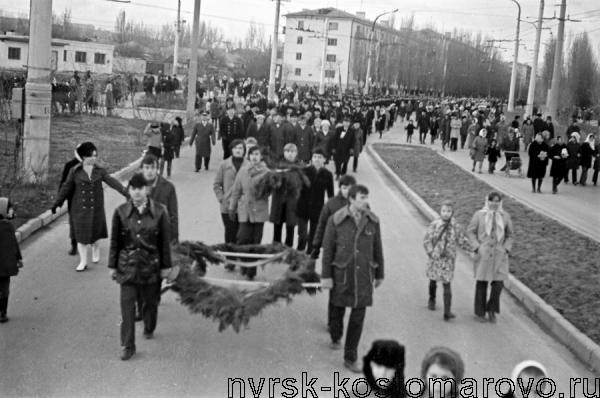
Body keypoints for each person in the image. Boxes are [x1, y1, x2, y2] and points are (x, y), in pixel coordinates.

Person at [108, 173, 173, 361]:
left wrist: (165, 267)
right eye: (133, 189)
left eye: (140, 188)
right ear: (129, 190)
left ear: (147, 190)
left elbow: (164, 243)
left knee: (150, 303)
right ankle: (127, 345)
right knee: (127, 307)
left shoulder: (160, 212)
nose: (137, 192)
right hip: (127, 267)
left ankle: (149, 326)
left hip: (150, 267)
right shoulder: (120, 212)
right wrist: (112, 266)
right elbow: (115, 242)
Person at [322, 184, 384, 373]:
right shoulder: (336, 220)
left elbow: (377, 248)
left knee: (358, 317)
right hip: (341, 273)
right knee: (337, 308)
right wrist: (326, 276)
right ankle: (335, 335)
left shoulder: (372, 221)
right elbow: (328, 251)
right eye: (362, 197)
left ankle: (350, 357)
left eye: (367, 197)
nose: (366, 201)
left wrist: (380, 273)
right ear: (351, 199)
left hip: (364, 275)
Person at [52, 142, 129, 272]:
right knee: (81, 236)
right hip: (80, 209)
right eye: (90, 156)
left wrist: (127, 193)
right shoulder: (75, 171)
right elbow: (66, 187)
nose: (94, 158)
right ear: (83, 157)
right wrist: (57, 203)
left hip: (95, 208)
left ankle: (95, 247)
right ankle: (83, 261)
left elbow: (112, 182)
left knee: (95, 233)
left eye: (95, 155)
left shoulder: (99, 171)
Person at [467, 191, 513, 323]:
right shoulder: (479, 215)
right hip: (484, 254)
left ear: (500, 202)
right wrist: (477, 247)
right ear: (488, 201)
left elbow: (510, 235)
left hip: (500, 254)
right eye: (492, 200)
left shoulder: (505, 216)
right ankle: (480, 312)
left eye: (497, 201)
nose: (494, 203)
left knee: (498, 284)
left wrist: (506, 249)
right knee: (482, 282)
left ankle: (492, 309)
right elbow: (470, 232)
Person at [423, 201, 471, 321]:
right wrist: (430, 252)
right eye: (444, 211)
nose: (446, 213)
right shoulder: (435, 224)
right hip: (436, 257)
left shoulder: (455, 226)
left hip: (448, 259)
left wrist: (473, 249)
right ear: (440, 211)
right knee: (433, 279)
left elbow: (461, 240)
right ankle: (432, 299)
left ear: (452, 212)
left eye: (448, 211)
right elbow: (427, 239)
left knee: (447, 283)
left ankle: (447, 311)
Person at [229, 145, 270, 280]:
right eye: (252, 154)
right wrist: (232, 207)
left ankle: (251, 270)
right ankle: (245, 264)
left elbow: (270, 191)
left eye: (257, 155)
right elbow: (236, 190)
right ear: (248, 156)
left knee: (255, 242)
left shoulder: (266, 172)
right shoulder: (243, 170)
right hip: (244, 211)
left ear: (261, 157)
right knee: (241, 238)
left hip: (259, 211)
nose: (254, 157)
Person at [296, 149, 334, 252]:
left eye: (320, 157)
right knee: (302, 235)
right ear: (312, 158)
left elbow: (331, 194)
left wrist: (330, 209)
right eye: (315, 157)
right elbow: (297, 188)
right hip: (303, 206)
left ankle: (309, 256)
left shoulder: (328, 175)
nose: (317, 159)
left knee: (313, 235)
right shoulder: (304, 171)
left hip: (317, 208)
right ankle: (299, 253)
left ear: (324, 160)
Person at [270, 143, 306, 247]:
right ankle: (276, 250)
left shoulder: (300, 166)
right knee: (277, 227)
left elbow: (303, 183)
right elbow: (271, 181)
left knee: (290, 229)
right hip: (279, 201)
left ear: (296, 153)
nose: (290, 154)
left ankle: (288, 250)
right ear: (284, 153)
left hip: (293, 202)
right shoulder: (277, 165)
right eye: (288, 151)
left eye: (292, 152)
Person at [214, 140, 247, 244]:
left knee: (242, 235)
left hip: (244, 206)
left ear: (244, 151)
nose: (238, 150)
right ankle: (229, 257)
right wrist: (221, 198)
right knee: (230, 233)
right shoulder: (224, 165)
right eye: (235, 148)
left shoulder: (249, 165)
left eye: (240, 148)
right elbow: (217, 184)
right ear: (231, 150)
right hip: (227, 206)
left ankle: (239, 257)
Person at [58, 144, 84, 255]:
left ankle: (81, 242)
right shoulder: (70, 165)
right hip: (73, 198)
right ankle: (74, 244)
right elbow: (64, 183)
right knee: (74, 221)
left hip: (83, 198)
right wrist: (60, 198)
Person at [0, 198, 22, 323]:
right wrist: (18, 259)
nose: (12, 212)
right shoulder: (7, 226)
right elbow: (14, 245)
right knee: (4, 289)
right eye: (10, 209)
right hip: (5, 265)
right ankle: (2, 313)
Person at [332, 115, 356, 180]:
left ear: (350, 123)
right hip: (338, 148)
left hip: (347, 149)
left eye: (348, 122)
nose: (346, 123)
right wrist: (333, 148)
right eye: (345, 122)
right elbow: (335, 139)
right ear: (343, 122)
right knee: (337, 162)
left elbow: (353, 140)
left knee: (345, 162)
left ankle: (343, 174)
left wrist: (351, 148)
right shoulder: (338, 129)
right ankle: (338, 173)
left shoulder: (352, 130)